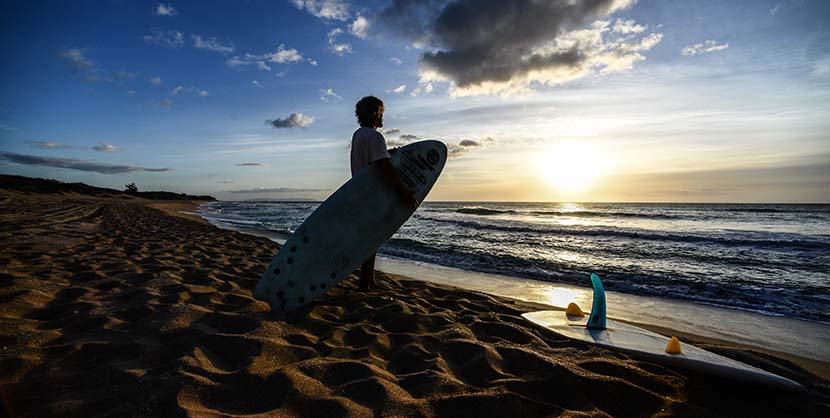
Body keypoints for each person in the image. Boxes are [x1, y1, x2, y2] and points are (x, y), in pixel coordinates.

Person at [350, 95, 418, 291]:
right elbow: (383, 167)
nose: (382, 118)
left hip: (359, 193)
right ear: (375, 114)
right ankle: (365, 284)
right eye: (381, 113)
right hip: (374, 194)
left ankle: (369, 281)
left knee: (371, 238)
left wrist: (388, 153)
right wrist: (404, 192)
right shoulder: (376, 137)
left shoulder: (359, 135)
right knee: (372, 240)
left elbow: (371, 160)